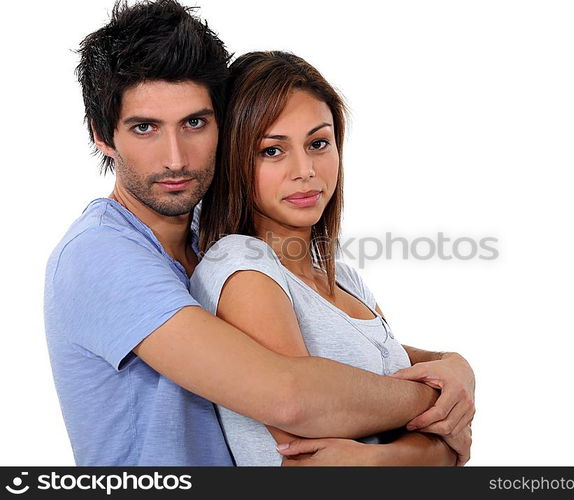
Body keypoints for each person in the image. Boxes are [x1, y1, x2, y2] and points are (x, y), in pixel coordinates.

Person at [44, 0, 475, 466]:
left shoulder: (205, 239)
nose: (175, 158)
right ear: (102, 136)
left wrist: (451, 365)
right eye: (145, 128)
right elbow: (290, 398)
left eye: (194, 123)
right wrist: (437, 405)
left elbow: (345, 346)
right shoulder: (101, 254)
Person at [192, 51, 475, 466]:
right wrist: (432, 449)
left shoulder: (342, 278)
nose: (305, 169)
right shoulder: (241, 267)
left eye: (318, 143)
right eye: (272, 150)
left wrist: (456, 365)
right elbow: (306, 459)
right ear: (235, 159)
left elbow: (401, 378)